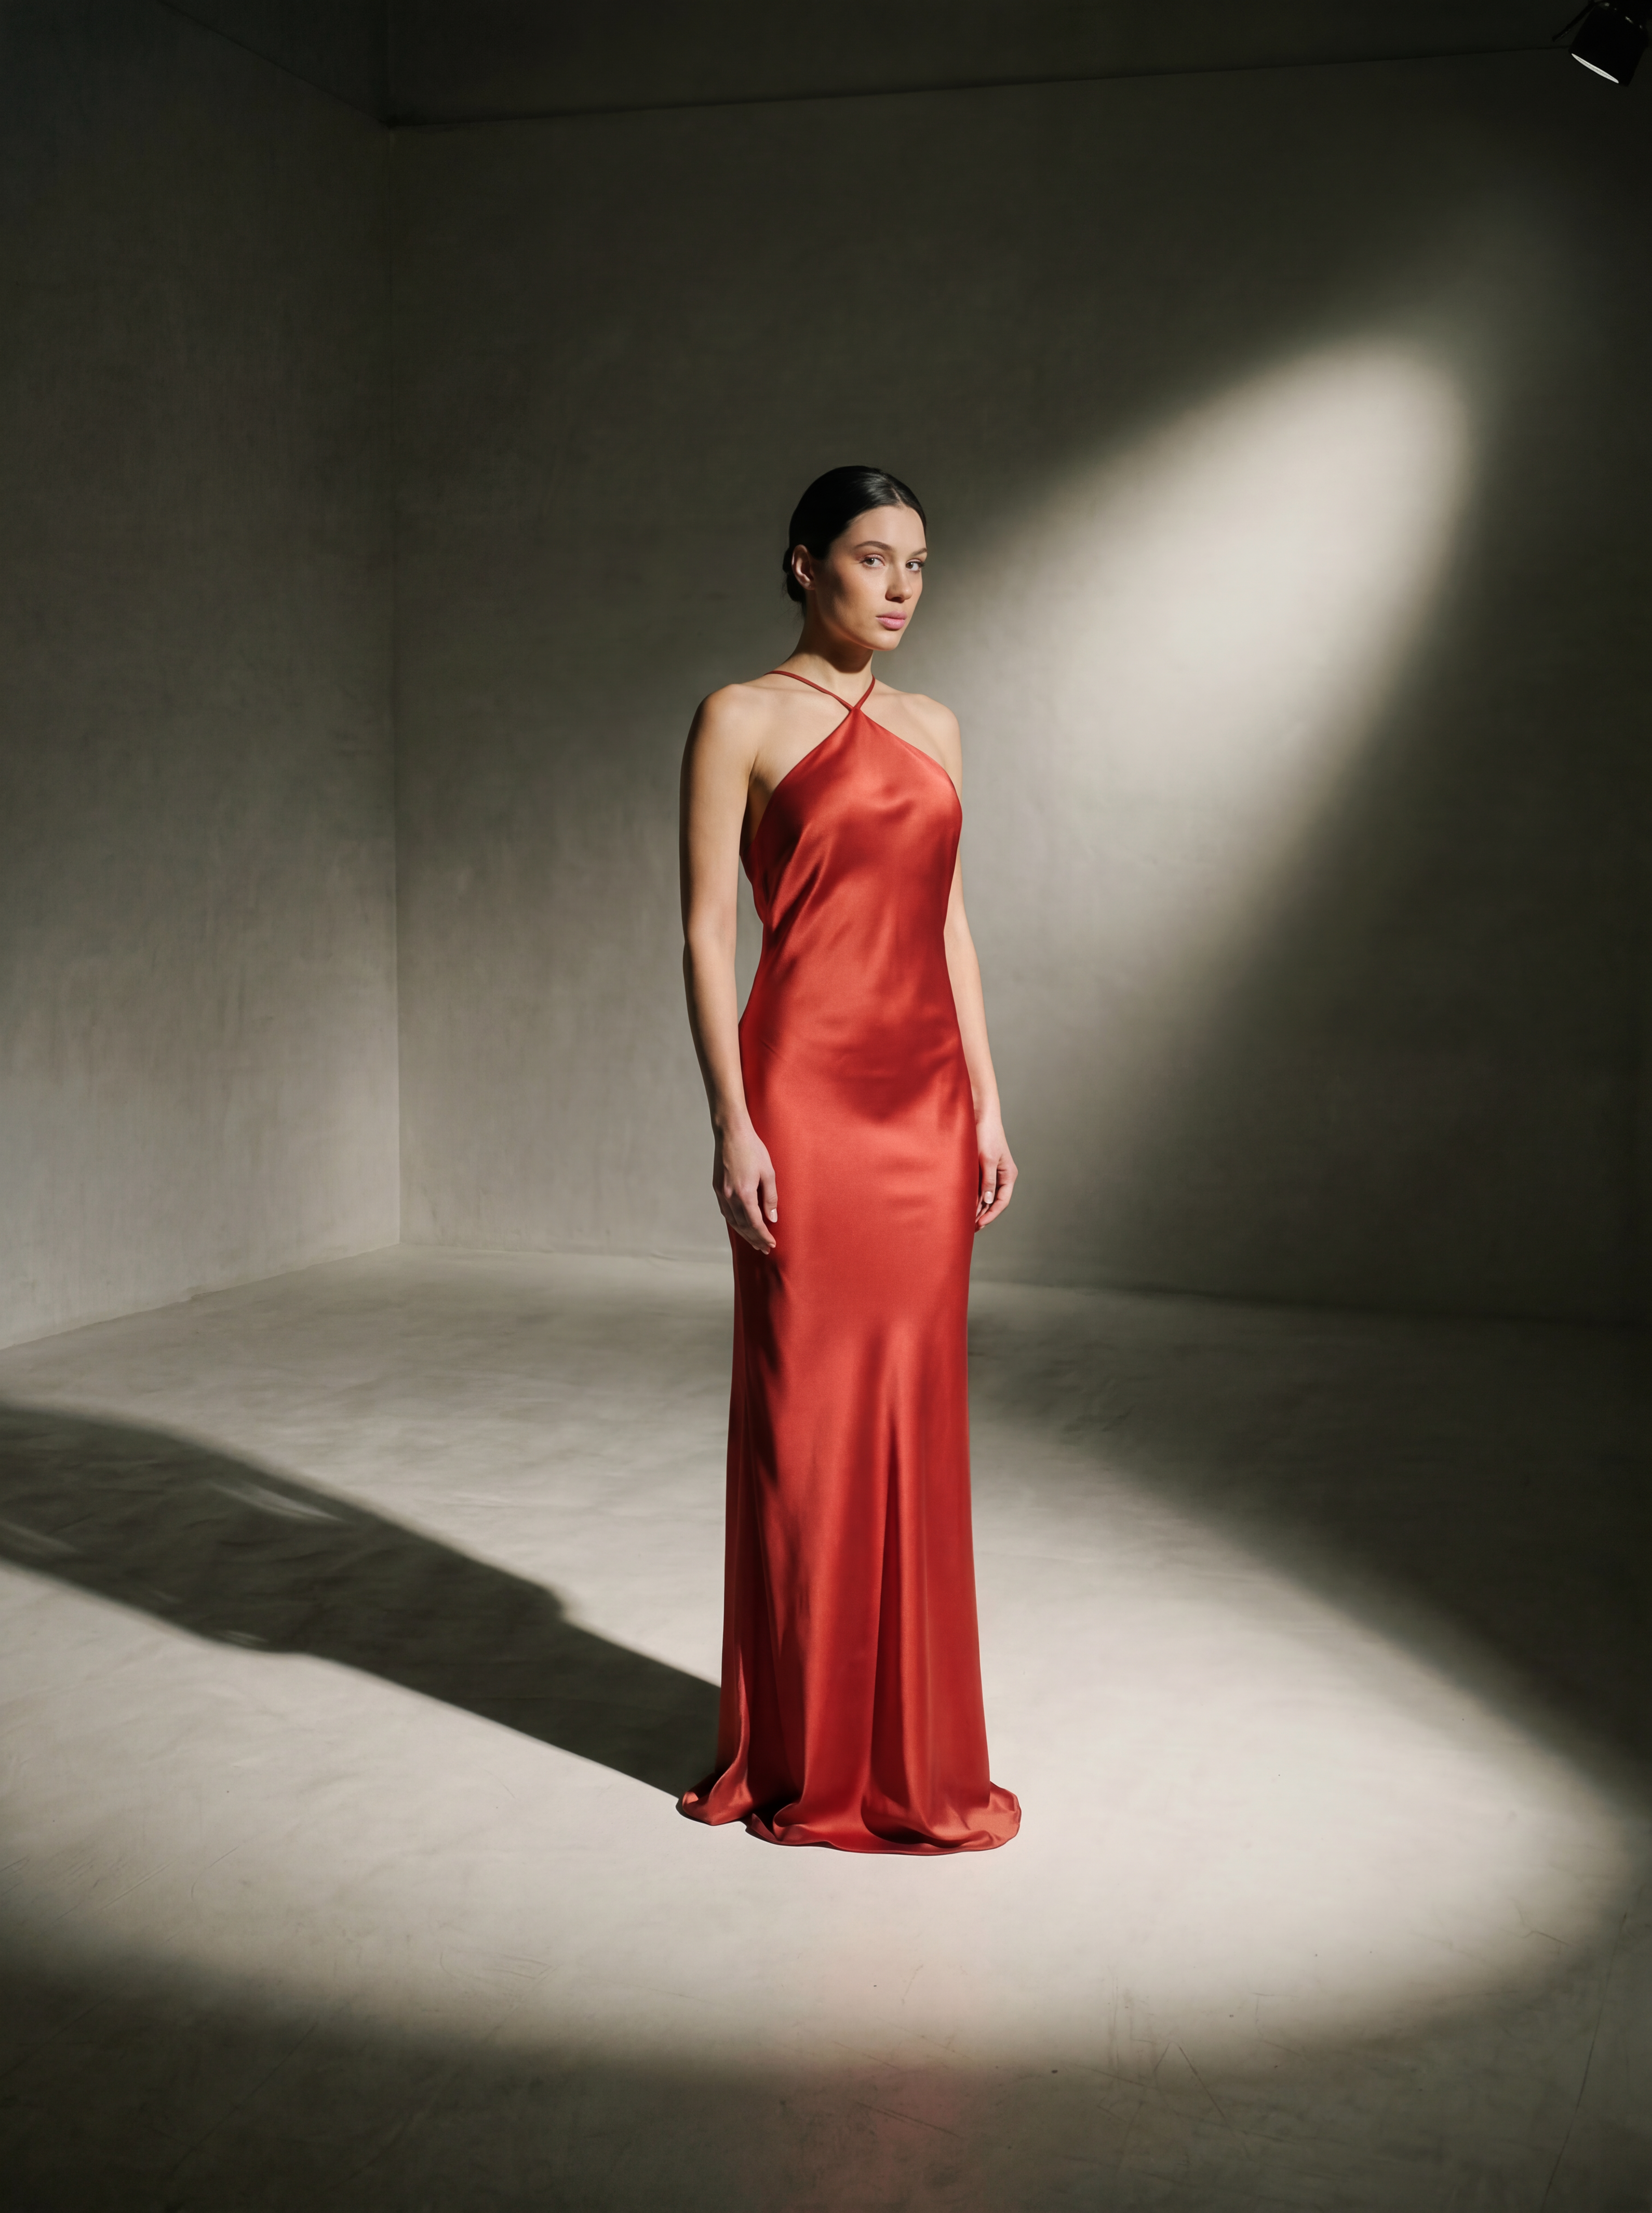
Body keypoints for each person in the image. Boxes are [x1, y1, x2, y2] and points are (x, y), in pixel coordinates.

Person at [676, 465, 1021, 1853]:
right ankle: (802, 1755)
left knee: (916, 1419)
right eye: (873, 559)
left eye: (920, 565)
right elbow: (706, 932)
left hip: (925, 1106)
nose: (899, 588)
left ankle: (912, 1754)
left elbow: (948, 925)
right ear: (803, 563)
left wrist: (988, 1105)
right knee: (807, 1423)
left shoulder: (938, 725)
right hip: (805, 1096)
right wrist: (731, 1118)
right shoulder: (739, 719)